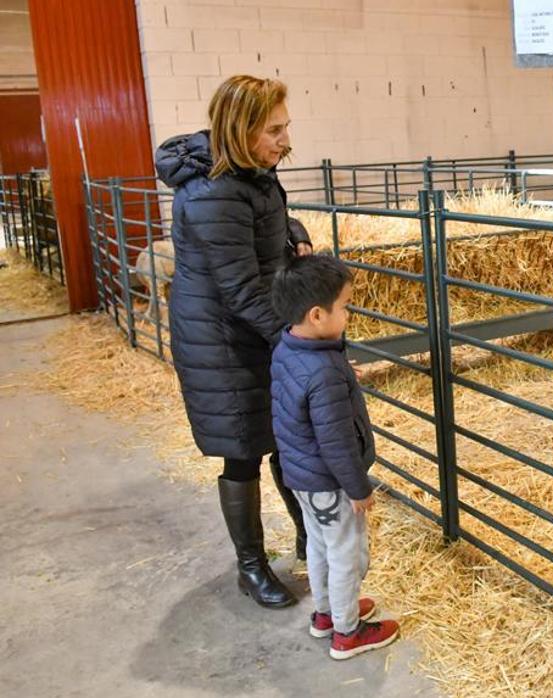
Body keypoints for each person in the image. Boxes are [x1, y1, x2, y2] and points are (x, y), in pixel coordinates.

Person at [155, 75, 313, 609]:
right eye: (274, 129)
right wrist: (296, 339)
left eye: (286, 126)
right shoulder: (214, 189)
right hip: (223, 340)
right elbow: (241, 286)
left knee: (284, 435)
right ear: (239, 129)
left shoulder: (246, 173)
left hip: (253, 324)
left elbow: (257, 219)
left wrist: (292, 230)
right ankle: (252, 567)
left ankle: (309, 539)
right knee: (244, 449)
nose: (286, 140)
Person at [270, 254, 399, 659]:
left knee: (322, 547)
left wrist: (340, 371)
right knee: (347, 554)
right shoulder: (324, 372)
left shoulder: (291, 348)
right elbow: (337, 440)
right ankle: (348, 632)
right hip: (332, 481)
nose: (348, 313)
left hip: (303, 478)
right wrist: (357, 487)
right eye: (344, 307)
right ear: (317, 315)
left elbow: (305, 397)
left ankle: (326, 614)